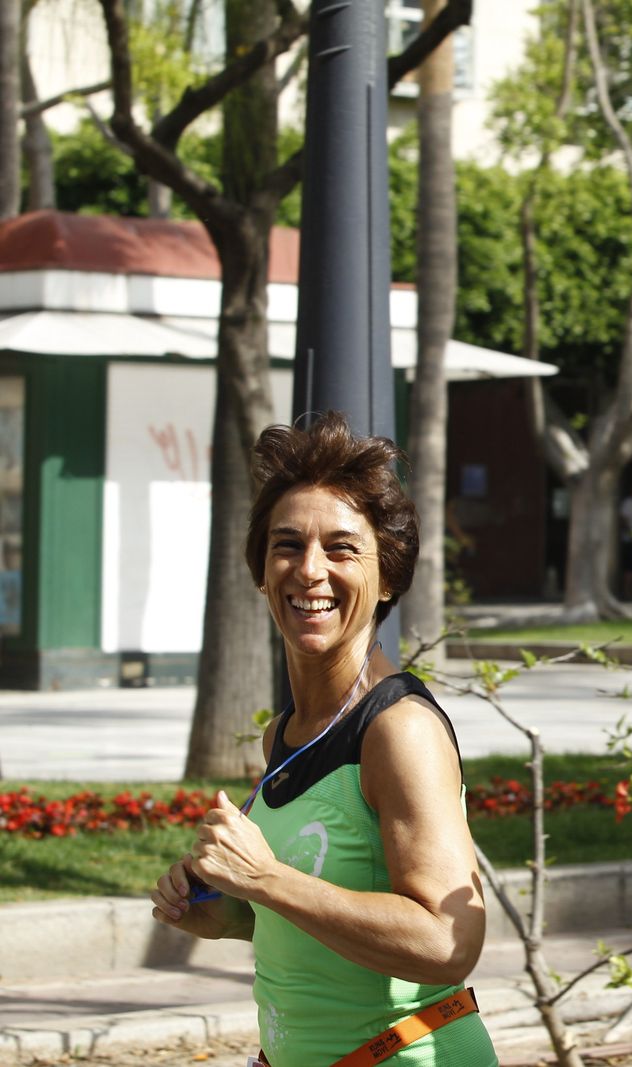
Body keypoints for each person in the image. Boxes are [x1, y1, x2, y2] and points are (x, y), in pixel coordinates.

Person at [149, 413, 497, 1066]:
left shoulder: (400, 731)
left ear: (387, 574)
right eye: (287, 545)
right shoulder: (286, 731)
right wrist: (230, 911)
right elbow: (323, 905)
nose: (309, 570)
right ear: (261, 570)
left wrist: (266, 877)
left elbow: (448, 943)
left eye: (341, 548)